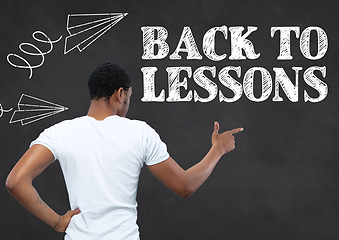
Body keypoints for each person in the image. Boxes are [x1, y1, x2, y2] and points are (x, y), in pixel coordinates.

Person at [6, 63, 243, 240]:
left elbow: (16, 182)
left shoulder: (59, 132)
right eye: (128, 98)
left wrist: (58, 222)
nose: (127, 105)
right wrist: (218, 150)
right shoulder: (139, 132)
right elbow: (185, 186)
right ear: (120, 94)